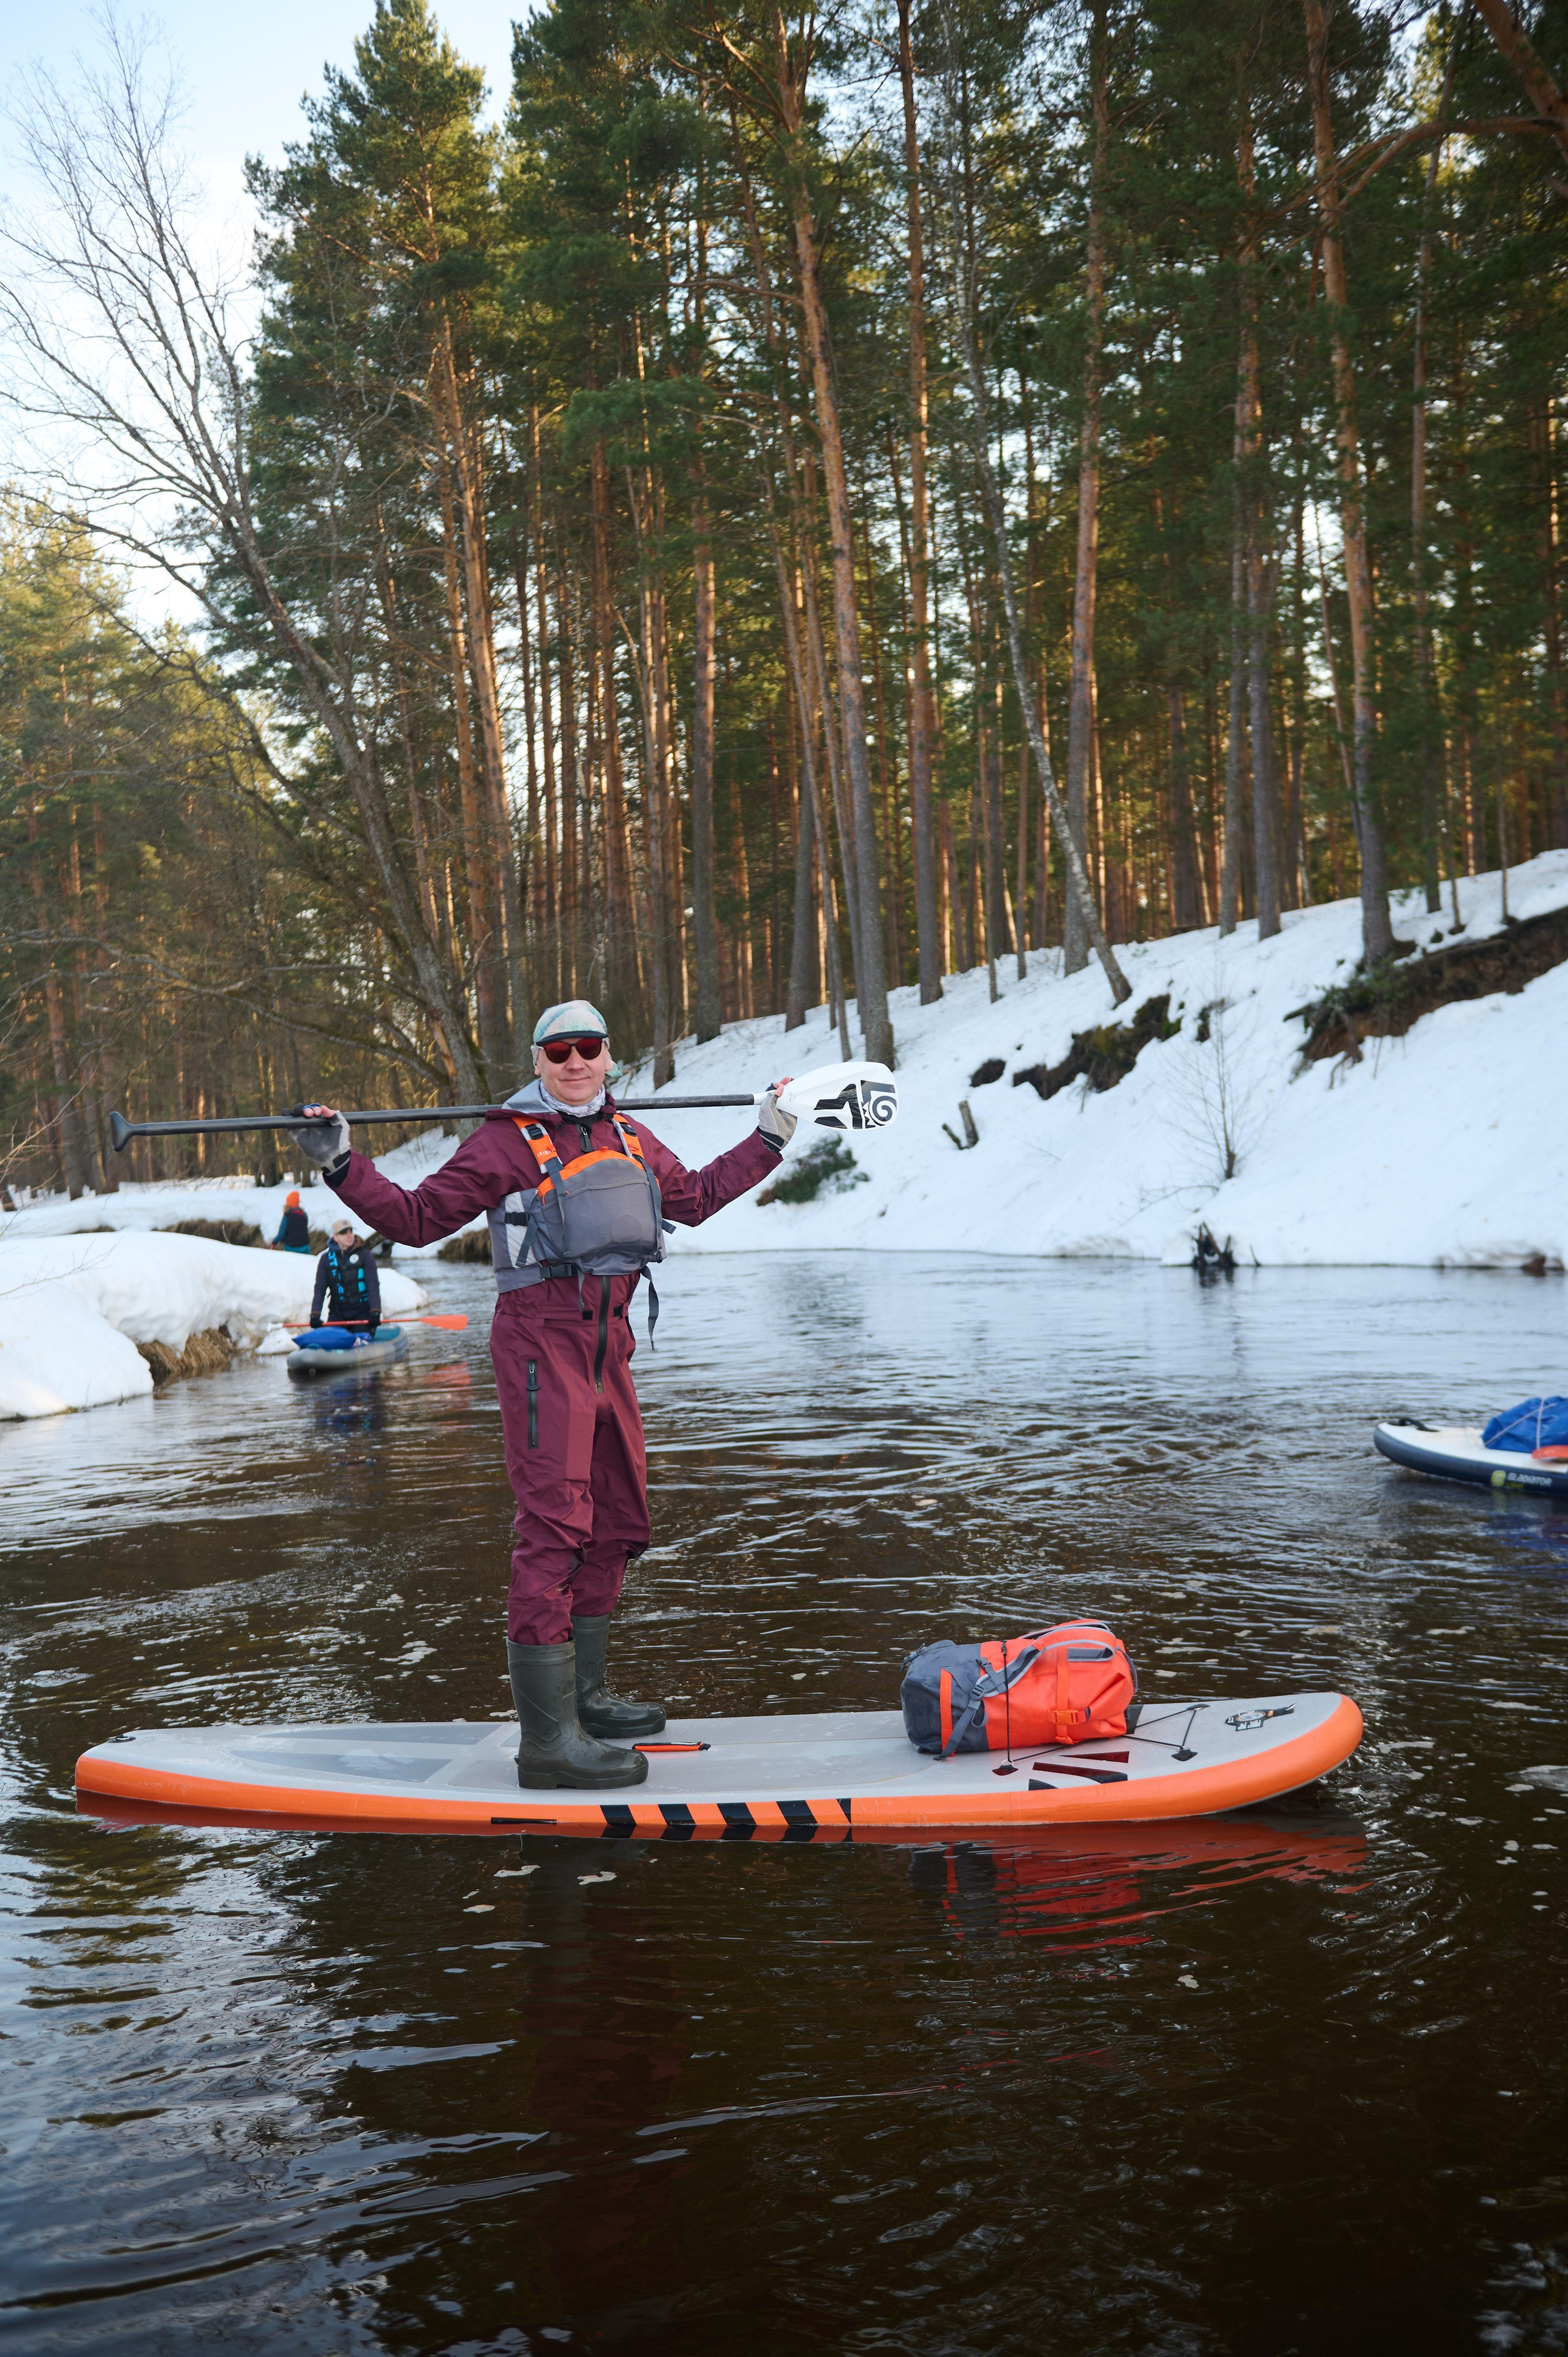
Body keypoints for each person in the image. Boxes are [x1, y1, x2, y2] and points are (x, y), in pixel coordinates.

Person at [292, 1001, 796, 1795]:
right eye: (557, 1050)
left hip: (610, 1349)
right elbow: (420, 1220)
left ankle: (585, 1700)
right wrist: (340, 1164)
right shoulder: (503, 1140)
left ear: (607, 1056)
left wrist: (770, 1136)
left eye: (588, 1047)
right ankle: (548, 1742)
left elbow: (694, 1199)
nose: (574, 1062)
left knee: (619, 1520)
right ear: (537, 1061)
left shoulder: (629, 1135)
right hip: (538, 1348)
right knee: (554, 1527)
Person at [311, 1216, 381, 1338]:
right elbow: (320, 1289)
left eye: (351, 1232)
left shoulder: (365, 1255)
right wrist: (315, 1314)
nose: (350, 1236)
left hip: (362, 1312)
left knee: (360, 1336)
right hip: (338, 1313)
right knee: (332, 1338)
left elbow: (373, 1285)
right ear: (336, 1237)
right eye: (344, 1233)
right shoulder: (326, 1259)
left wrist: (375, 1311)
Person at [271, 1189, 310, 1253]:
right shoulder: (304, 1214)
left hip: (291, 1248)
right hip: (306, 1247)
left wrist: (275, 1241)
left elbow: (282, 1233)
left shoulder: (287, 1216)